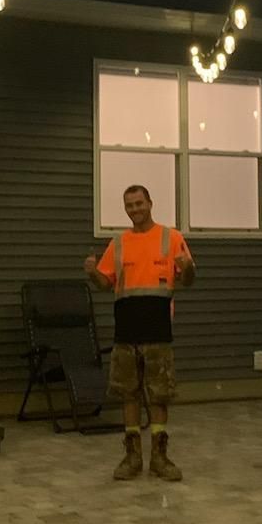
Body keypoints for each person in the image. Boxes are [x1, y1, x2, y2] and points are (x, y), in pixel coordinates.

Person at [84, 184, 195, 481]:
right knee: (128, 395)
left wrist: (187, 268)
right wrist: (93, 272)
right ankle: (132, 457)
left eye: (139, 203)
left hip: (158, 332)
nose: (135, 209)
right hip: (126, 333)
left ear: (150, 203)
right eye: (129, 205)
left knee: (158, 396)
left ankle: (160, 457)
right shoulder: (118, 244)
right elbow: (105, 284)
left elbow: (188, 279)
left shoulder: (171, 238)